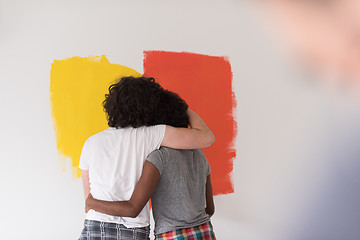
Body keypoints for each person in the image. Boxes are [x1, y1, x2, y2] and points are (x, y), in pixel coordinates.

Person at [78, 76, 215, 240]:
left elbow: (89, 200)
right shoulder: (153, 135)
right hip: (138, 229)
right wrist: (183, 107)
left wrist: (90, 203)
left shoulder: (91, 142)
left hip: (95, 224)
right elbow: (206, 137)